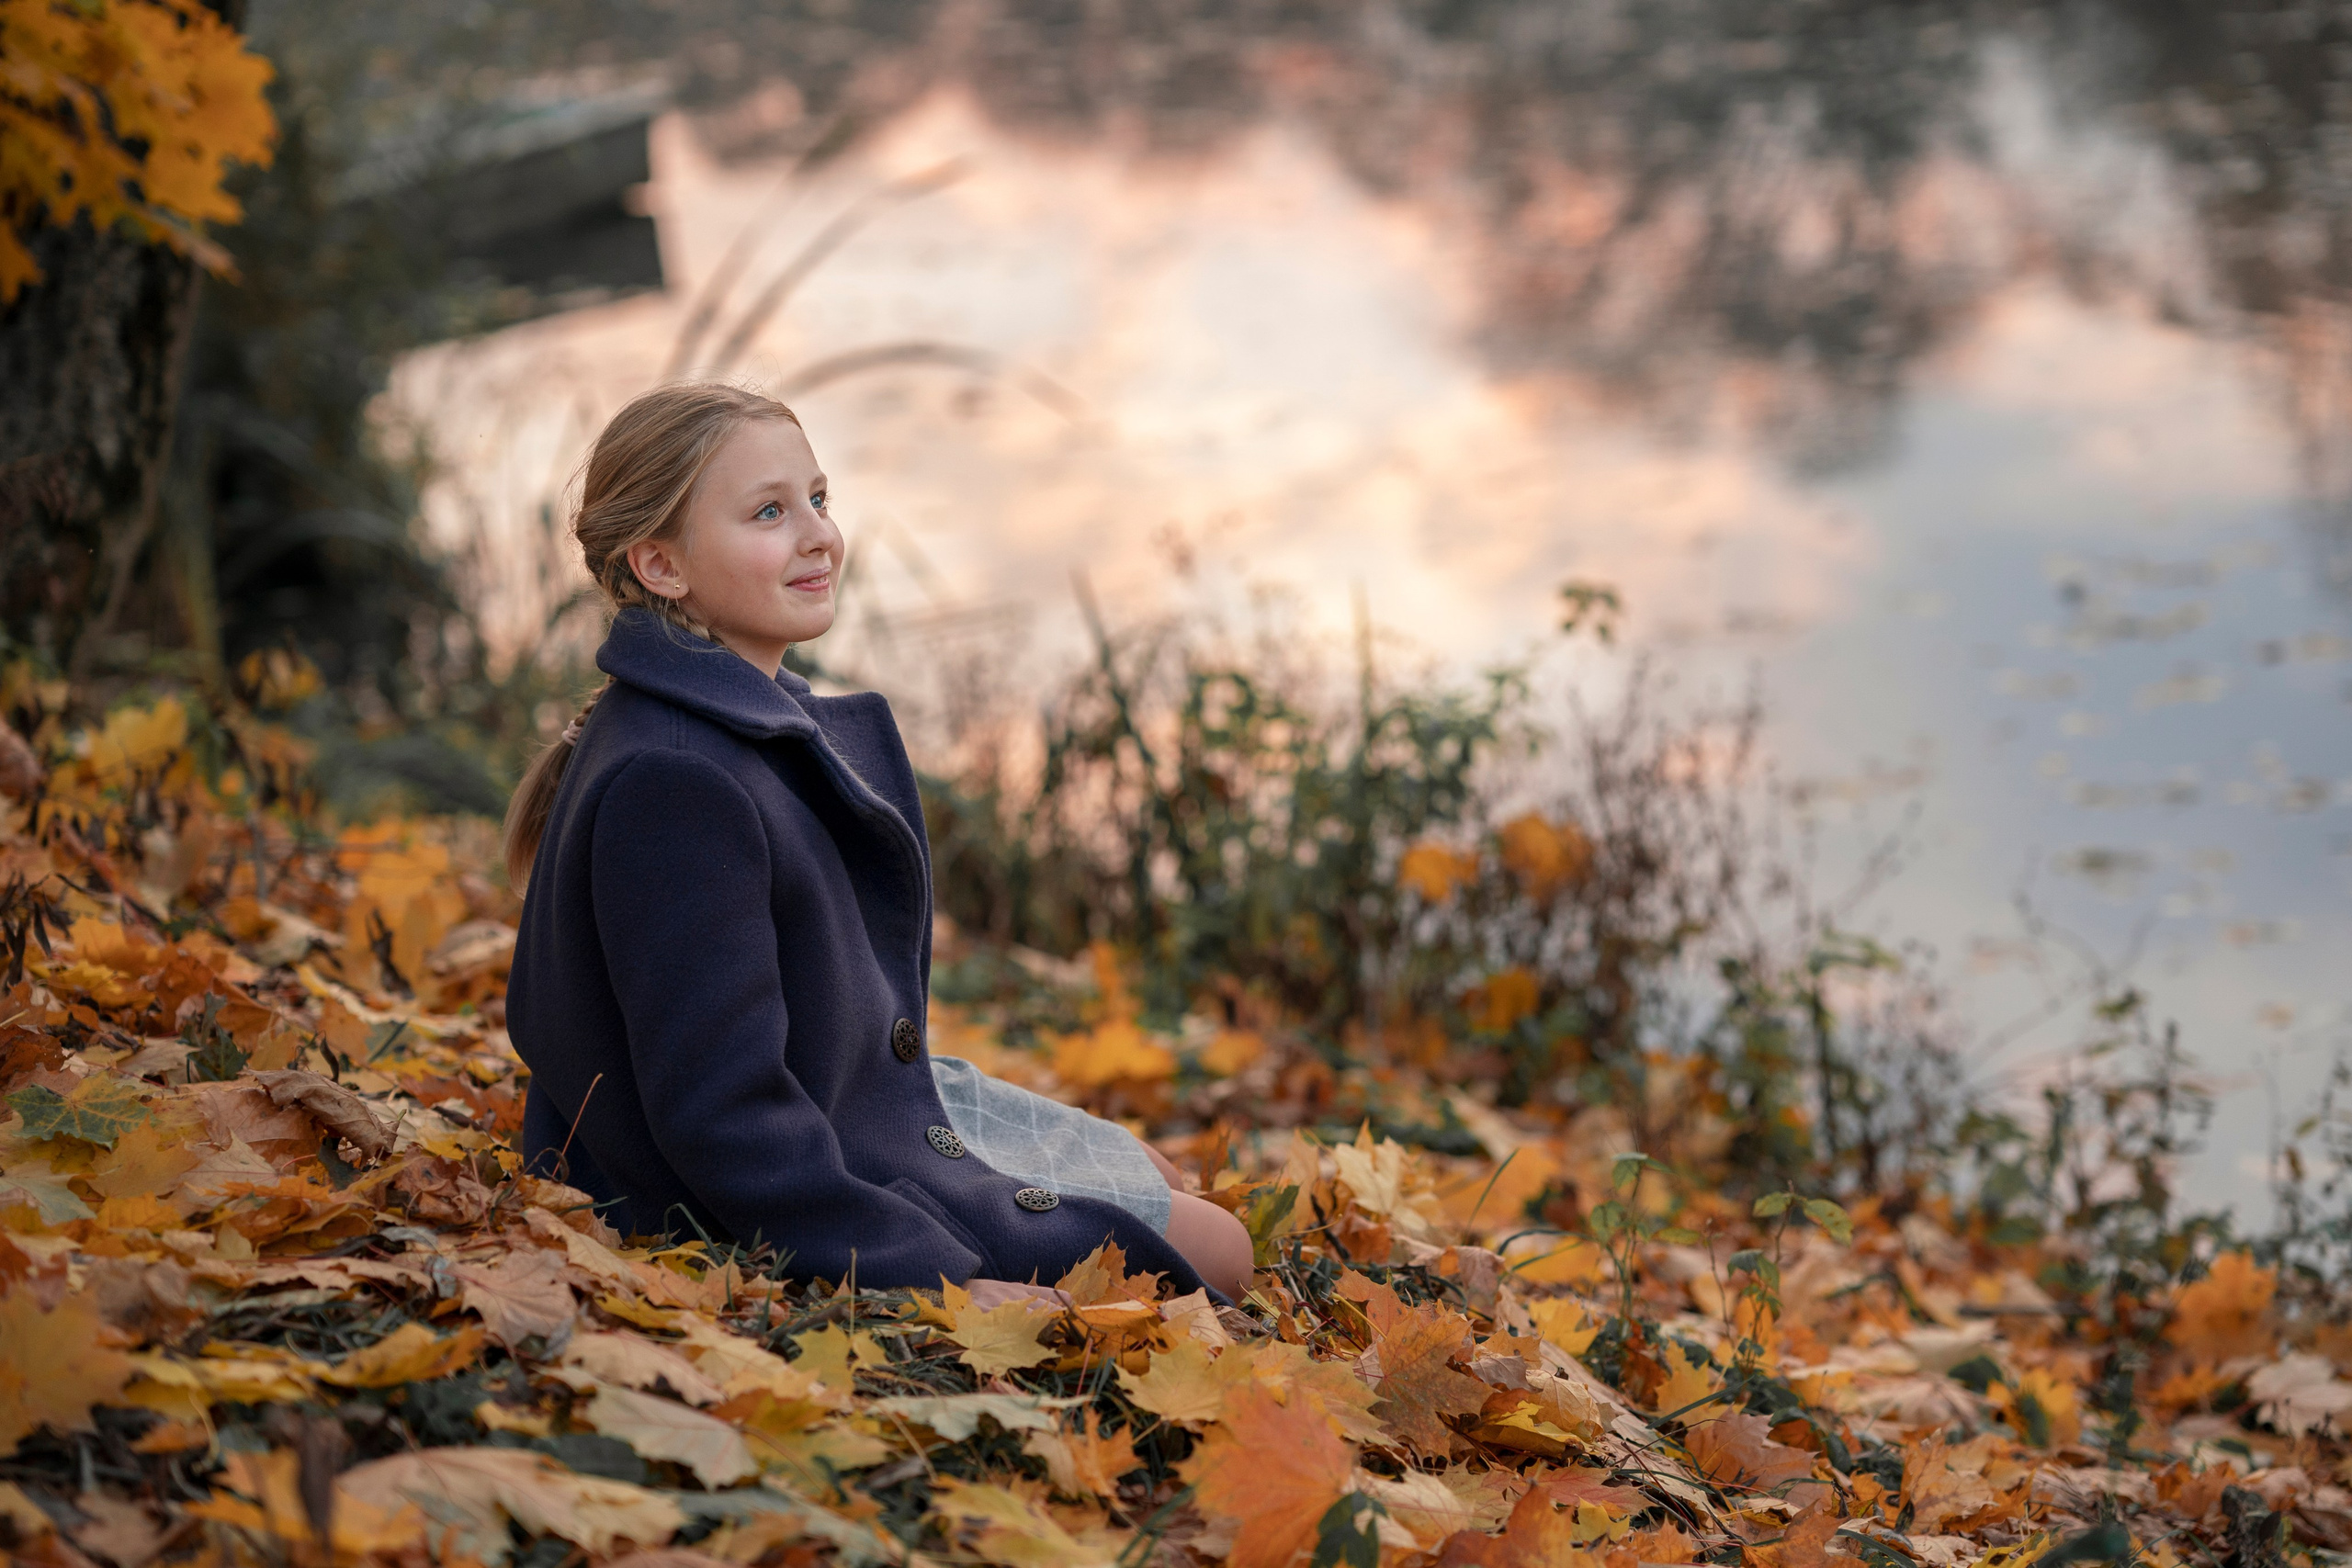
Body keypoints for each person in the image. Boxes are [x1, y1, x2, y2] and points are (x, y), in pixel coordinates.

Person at [502, 382, 1253, 1308]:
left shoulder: (740, 718)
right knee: (1220, 1255)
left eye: (818, 498)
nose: (818, 534)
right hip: (783, 1170)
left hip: (857, 1094)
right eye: (769, 512)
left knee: (1152, 1170)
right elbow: (721, 1114)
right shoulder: (678, 783)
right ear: (661, 564)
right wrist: (925, 1278)